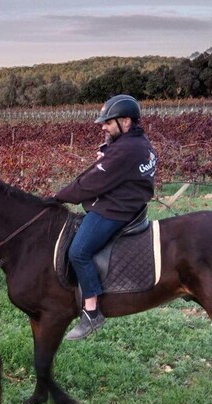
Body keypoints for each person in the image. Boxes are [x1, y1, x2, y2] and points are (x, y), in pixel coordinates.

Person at [53, 94, 157, 340]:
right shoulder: (139, 143)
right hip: (130, 202)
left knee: (78, 251)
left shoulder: (125, 151)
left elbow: (89, 185)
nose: (103, 126)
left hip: (116, 209)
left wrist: (58, 197)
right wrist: (107, 153)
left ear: (126, 122)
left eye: (108, 123)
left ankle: (91, 313)